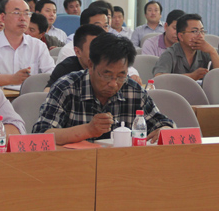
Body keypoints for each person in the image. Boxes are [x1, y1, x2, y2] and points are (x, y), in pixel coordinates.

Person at [33, 33, 175, 145]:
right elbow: (41, 135)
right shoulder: (66, 88)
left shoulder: (133, 90)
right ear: (90, 65)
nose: (113, 83)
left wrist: (165, 130)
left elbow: (163, 123)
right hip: (74, 164)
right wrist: (88, 130)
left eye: (121, 76)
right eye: (106, 75)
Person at [56, 7, 143, 84]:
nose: (103, 31)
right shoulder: (69, 51)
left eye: (106, 26)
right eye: (98, 26)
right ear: (84, 27)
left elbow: (126, 67)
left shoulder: (111, 46)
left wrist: (133, 75)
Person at [0, 0, 55, 90]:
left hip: (29, 97)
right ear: (3, 17)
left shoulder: (38, 46)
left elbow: (51, 75)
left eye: (27, 13)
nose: (23, 18)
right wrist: (11, 79)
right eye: (17, 13)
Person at [152, 13, 219, 80]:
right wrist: (191, 76)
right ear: (180, 36)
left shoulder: (205, 52)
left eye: (202, 31)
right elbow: (159, 77)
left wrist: (213, 51)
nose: (200, 36)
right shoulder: (170, 54)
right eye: (194, 31)